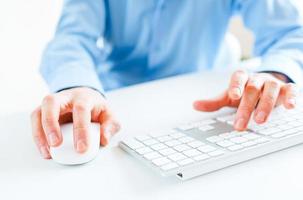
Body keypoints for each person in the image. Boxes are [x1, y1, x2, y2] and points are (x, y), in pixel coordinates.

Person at [31, 0, 303, 159]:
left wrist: (275, 75)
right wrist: (77, 86)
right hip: (119, 101)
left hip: (212, 102)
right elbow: (70, 40)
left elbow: (291, 34)